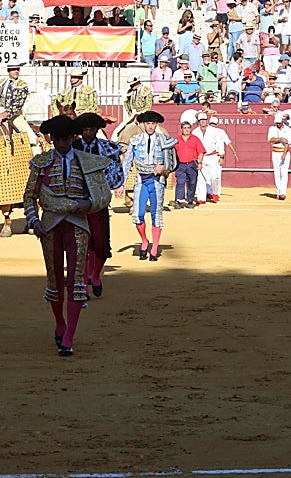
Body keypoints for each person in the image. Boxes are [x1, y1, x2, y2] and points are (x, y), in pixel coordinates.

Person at [23, 114, 113, 356]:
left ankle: (69, 336)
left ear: (73, 138)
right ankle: (60, 324)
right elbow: (29, 197)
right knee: (54, 280)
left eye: (65, 139)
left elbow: (104, 195)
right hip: (50, 226)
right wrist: (33, 221)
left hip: (77, 226)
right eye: (57, 139)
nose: (61, 144)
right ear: (51, 139)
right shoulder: (41, 163)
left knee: (74, 281)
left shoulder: (89, 162)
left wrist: (89, 203)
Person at [71, 112, 124, 297]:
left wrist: (111, 185)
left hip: (99, 202)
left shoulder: (107, 149)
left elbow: (116, 174)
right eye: (84, 129)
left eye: (91, 129)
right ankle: (85, 280)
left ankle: (96, 275)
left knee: (101, 243)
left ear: (97, 130)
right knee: (81, 243)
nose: (87, 133)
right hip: (77, 202)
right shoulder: (72, 148)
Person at [122, 111, 178, 261]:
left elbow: (174, 162)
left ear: (156, 124)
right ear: (143, 124)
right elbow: (127, 163)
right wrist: (122, 183)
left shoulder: (164, 140)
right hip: (141, 180)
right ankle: (145, 240)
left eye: (153, 123)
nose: (150, 126)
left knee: (156, 214)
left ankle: (154, 247)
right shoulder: (135, 140)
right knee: (138, 215)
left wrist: (163, 167)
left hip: (157, 181)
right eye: (148, 123)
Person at [193, 111, 238, 204]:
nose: (203, 122)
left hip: (213, 156)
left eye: (204, 120)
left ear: (207, 120)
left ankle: (215, 192)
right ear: (198, 121)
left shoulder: (214, 131)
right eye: (201, 120)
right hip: (201, 157)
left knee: (214, 177)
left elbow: (219, 144)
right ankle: (201, 198)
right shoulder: (195, 132)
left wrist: (222, 156)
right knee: (200, 178)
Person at [0, 61, 37, 146]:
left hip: (15, 116)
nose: (16, 71)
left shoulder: (22, 85)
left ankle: (36, 155)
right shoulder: (1, 83)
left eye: (18, 69)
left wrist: (6, 114)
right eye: (13, 69)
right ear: (8, 70)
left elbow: (18, 104)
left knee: (31, 137)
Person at [172, 115, 206, 209]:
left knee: (192, 182)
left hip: (192, 164)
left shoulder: (195, 139)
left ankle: (190, 200)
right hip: (180, 164)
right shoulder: (177, 139)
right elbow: (172, 152)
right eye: (184, 128)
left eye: (188, 128)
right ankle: (178, 200)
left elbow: (201, 152)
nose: (186, 130)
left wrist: (200, 163)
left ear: (190, 129)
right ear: (181, 129)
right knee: (180, 182)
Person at [267, 109, 291, 200]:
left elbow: (288, 143)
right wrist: (281, 139)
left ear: (282, 121)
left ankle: (282, 192)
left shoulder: (288, 130)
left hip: (283, 152)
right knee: (277, 173)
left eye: (279, 123)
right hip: (275, 152)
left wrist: (284, 153)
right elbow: (270, 139)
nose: (277, 124)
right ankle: (278, 192)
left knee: (284, 173)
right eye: (276, 123)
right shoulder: (272, 128)